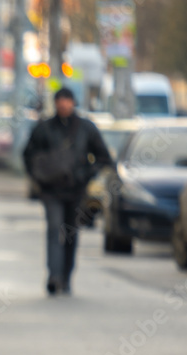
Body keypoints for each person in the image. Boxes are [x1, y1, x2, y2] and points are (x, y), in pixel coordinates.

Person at [24, 87, 113, 296]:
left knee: (70, 233)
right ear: (55, 104)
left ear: (73, 103)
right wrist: (38, 178)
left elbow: (103, 158)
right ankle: (54, 276)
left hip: (76, 190)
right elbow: (28, 155)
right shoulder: (44, 129)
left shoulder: (85, 128)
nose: (63, 105)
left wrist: (85, 174)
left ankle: (66, 276)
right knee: (55, 230)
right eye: (60, 101)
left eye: (67, 100)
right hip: (51, 191)